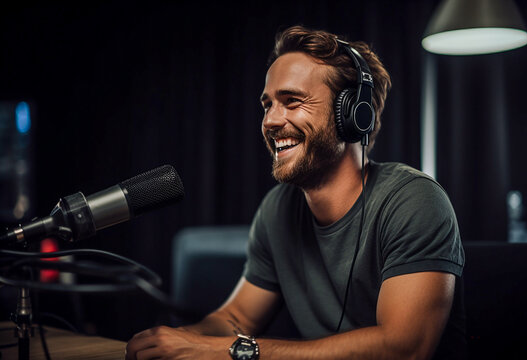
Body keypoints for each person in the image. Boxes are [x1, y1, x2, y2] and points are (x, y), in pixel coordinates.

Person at [125, 25, 465, 360]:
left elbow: (403, 349)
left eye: (292, 101)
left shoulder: (413, 201)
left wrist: (236, 351)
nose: (271, 121)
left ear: (351, 115)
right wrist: (179, 341)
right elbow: (236, 319)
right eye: (267, 105)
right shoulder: (278, 209)